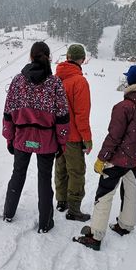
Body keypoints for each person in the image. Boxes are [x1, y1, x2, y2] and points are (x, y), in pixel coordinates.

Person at [73, 65, 136, 250]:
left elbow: (114, 136)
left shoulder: (124, 106)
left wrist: (102, 158)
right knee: (130, 190)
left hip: (118, 159)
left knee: (104, 195)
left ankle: (95, 236)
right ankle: (125, 225)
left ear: (131, 81)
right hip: (135, 158)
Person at [2, 41, 70, 233]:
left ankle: (8, 213)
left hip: (22, 137)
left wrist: (10, 138)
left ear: (31, 57)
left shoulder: (17, 81)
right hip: (47, 139)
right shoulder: (55, 83)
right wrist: (62, 142)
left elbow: (8, 112)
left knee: (18, 174)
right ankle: (45, 222)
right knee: (44, 178)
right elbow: (62, 116)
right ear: (48, 57)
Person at [55, 44, 92, 222]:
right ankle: (74, 209)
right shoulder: (79, 81)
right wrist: (87, 138)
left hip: (57, 135)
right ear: (82, 59)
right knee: (76, 171)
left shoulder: (56, 78)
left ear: (68, 57)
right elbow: (81, 114)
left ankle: (61, 201)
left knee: (61, 167)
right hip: (73, 136)